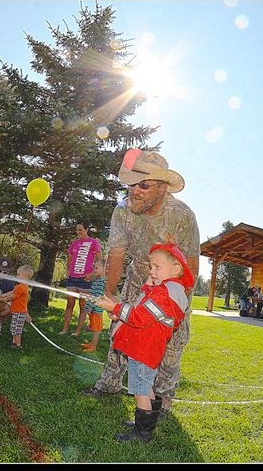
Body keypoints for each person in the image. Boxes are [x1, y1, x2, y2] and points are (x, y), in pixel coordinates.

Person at [81, 147, 200, 421]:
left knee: (171, 342)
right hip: (138, 280)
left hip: (173, 287)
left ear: (162, 187)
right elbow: (117, 255)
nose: (134, 191)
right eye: (131, 184)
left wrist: (171, 304)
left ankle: (162, 400)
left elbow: (191, 267)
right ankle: (109, 384)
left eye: (143, 185)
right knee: (120, 329)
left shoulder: (181, 215)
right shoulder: (122, 211)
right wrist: (109, 295)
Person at [94, 243, 194, 442]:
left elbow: (139, 316)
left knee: (140, 389)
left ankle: (141, 434)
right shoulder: (165, 291)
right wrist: (121, 313)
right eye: (151, 267)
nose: (152, 271)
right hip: (145, 348)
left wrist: (115, 306)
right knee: (145, 386)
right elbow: (144, 307)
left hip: (143, 349)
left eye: (157, 267)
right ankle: (146, 423)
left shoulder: (165, 295)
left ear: (175, 270)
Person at [59, 220, 103, 336]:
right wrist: (67, 270)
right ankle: (64, 330)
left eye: (80, 230)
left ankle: (77, 331)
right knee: (69, 304)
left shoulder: (93, 242)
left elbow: (100, 260)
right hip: (72, 278)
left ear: (87, 229)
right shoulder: (74, 243)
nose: (77, 232)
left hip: (85, 279)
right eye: (76, 230)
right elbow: (69, 258)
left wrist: (92, 274)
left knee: (83, 305)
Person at [3, 265, 35, 350]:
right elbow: (12, 293)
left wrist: (4, 299)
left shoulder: (21, 287)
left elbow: (12, 296)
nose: (17, 276)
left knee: (17, 329)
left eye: (19, 275)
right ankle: (14, 342)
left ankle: (18, 345)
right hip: (17, 311)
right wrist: (2, 296)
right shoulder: (20, 286)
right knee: (14, 327)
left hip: (19, 312)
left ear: (25, 277)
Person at [79, 257, 108, 353]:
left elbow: (96, 296)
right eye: (94, 267)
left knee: (96, 330)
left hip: (96, 309)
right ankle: (91, 344)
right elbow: (92, 292)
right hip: (92, 309)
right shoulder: (98, 280)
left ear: (105, 269)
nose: (94, 270)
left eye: (97, 268)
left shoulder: (102, 281)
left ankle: (93, 347)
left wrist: (90, 306)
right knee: (93, 327)